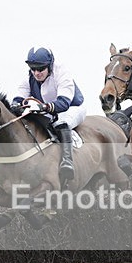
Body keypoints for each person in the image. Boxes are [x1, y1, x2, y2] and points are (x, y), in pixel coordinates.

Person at [10, 47, 86, 183]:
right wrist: (15, 105)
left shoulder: (62, 73)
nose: (36, 73)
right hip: (47, 110)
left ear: (49, 65)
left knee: (61, 123)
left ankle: (67, 161)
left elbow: (63, 103)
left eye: (40, 69)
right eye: (33, 69)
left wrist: (43, 107)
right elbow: (19, 96)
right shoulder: (30, 77)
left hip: (71, 108)